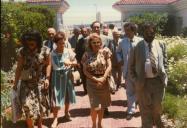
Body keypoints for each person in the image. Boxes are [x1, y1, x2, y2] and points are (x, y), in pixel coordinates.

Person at [128, 22, 168, 127]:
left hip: (158, 82)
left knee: (157, 108)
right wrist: (136, 81)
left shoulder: (161, 44)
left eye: (152, 33)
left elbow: (165, 62)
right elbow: (130, 67)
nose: (150, 35)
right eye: (147, 33)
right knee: (145, 112)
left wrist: (165, 76)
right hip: (143, 83)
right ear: (143, 33)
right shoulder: (136, 46)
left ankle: (158, 123)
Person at [13, 30, 51, 128]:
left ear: (37, 41)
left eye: (33, 41)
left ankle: (39, 125)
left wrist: (47, 78)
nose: (30, 43)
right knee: (26, 106)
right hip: (26, 83)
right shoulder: (22, 51)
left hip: (40, 83)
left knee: (41, 106)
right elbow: (19, 68)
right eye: (28, 41)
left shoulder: (45, 50)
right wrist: (15, 84)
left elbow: (49, 65)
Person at [81, 33, 112, 128]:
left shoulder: (105, 52)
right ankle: (94, 124)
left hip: (103, 81)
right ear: (90, 43)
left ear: (101, 43)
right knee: (94, 107)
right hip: (91, 82)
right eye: (94, 42)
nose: (96, 44)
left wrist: (103, 78)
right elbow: (84, 71)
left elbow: (109, 66)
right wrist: (96, 79)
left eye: (98, 42)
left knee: (102, 105)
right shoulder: (86, 54)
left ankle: (100, 123)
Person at [50, 31, 77, 128]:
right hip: (57, 77)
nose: (62, 45)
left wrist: (70, 62)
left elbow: (76, 62)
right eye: (59, 43)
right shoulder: (52, 53)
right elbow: (50, 67)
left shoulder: (68, 51)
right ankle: (55, 118)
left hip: (68, 76)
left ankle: (66, 113)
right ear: (55, 43)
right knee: (56, 98)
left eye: (63, 42)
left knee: (67, 96)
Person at [117, 22, 143, 120]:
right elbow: (118, 52)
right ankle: (131, 111)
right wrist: (120, 60)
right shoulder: (122, 42)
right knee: (129, 91)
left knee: (140, 91)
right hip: (128, 71)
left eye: (128, 30)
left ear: (134, 31)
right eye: (125, 30)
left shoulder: (141, 41)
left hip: (139, 72)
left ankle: (139, 107)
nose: (126, 32)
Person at [91, 21, 112, 116]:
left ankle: (105, 108)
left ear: (101, 28)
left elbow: (110, 53)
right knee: (94, 93)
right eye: (94, 27)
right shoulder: (87, 39)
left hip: (104, 70)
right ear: (92, 28)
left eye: (98, 27)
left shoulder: (107, 39)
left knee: (105, 92)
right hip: (92, 71)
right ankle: (96, 108)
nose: (96, 29)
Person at [75, 27, 89, 94]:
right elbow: (77, 52)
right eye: (83, 32)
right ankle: (85, 90)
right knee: (83, 76)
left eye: (85, 31)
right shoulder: (79, 41)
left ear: (88, 32)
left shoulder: (91, 39)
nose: (84, 33)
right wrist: (78, 62)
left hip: (90, 61)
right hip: (82, 62)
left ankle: (90, 90)